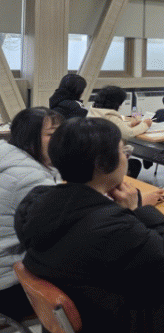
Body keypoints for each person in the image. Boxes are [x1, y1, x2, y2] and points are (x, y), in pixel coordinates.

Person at [14, 117, 164, 333]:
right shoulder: (110, 226)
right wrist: (137, 209)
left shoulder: (36, 202)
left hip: (90, 311)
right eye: (123, 151)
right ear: (102, 164)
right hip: (126, 322)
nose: (126, 158)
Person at [0, 108, 63, 321]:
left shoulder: (9, 157)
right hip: (10, 286)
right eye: (52, 134)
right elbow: (61, 235)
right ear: (29, 139)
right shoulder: (30, 179)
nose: (62, 140)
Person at [88, 86, 152, 140]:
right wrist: (145, 125)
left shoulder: (94, 111)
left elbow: (115, 126)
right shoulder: (110, 116)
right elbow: (129, 134)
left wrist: (130, 124)